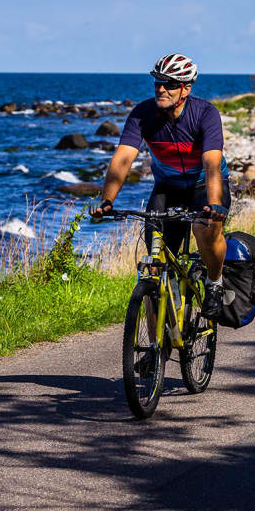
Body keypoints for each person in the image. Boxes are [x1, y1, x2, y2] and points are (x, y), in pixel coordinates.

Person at [90, 53, 231, 317]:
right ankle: (156, 351)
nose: (161, 89)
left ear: (186, 88)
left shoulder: (205, 114)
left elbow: (212, 163)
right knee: (153, 267)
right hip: (167, 188)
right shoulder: (142, 115)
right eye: (157, 82)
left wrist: (213, 204)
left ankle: (214, 283)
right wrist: (107, 200)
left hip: (204, 186)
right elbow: (122, 159)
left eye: (170, 84)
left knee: (205, 228)